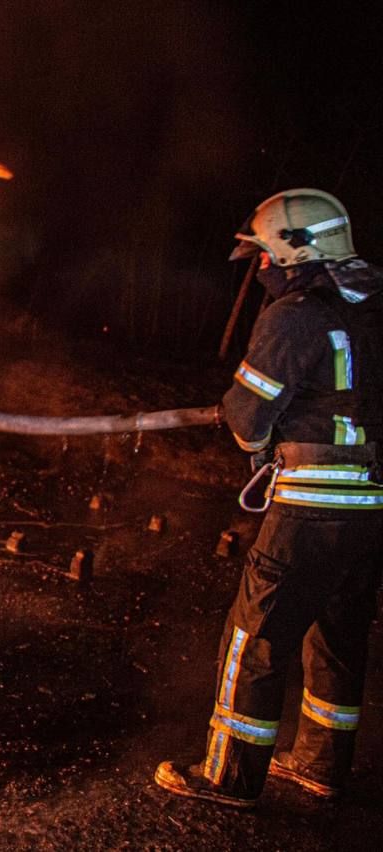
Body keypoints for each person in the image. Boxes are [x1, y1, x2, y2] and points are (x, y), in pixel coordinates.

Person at [156, 188, 383, 807]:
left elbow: (249, 415)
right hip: (372, 509)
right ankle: (321, 764)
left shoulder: (296, 314)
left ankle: (229, 776)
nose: (258, 269)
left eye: (262, 256)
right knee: (339, 636)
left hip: (311, 504)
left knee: (254, 638)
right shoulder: (372, 306)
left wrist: (252, 434)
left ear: (292, 252)